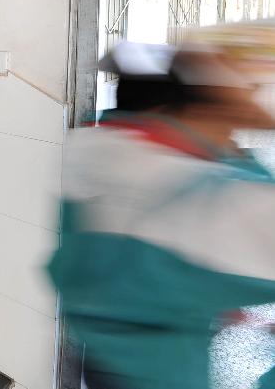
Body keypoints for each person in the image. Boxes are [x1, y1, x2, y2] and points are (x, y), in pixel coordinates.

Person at [48, 35, 275, 389]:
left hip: (101, 356)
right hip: (161, 370)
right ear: (171, 114)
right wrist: (246, 119)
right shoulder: (188, 182)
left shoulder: (89, 147)